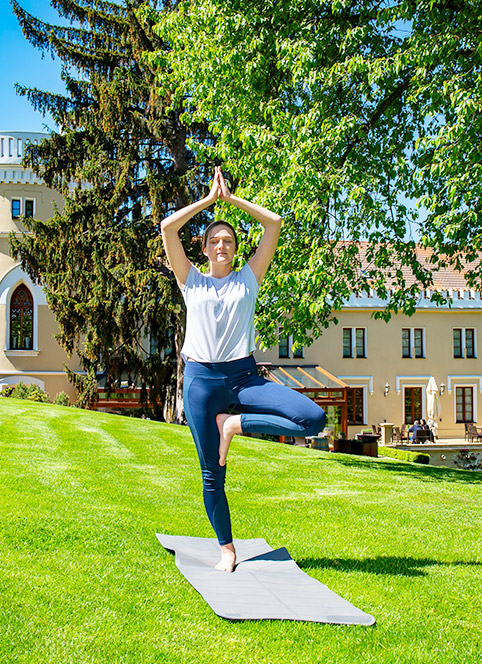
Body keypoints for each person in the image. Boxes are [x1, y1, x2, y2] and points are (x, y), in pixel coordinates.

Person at [160, 166, 326, 573]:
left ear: (236, 249)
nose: (221, 245)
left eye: (228, 240)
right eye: (214, 240)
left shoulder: (248, 279)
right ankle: (227, 549)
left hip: (243, 377)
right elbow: (167, 227)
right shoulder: (191, 281)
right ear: (204, 249)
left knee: (313, 418)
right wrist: (207, 202)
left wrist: (230, 200)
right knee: (211, 473)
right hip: (200, 383)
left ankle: (235, 425)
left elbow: (274, 223)